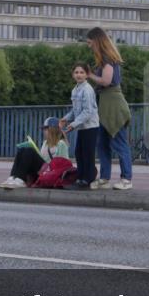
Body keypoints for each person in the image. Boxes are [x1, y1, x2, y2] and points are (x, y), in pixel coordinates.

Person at [85, 27, 133, 191]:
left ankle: (126, 179)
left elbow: (106, 80)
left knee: (119, 144)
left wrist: (89, 75)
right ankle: (105, 178)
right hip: (106, 106)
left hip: (112, 106)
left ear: (97, 41)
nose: (89, 46)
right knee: (103, 143)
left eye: (90, 43)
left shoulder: (107, 59)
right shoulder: (105, 59)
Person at [0, 117, 70, 189]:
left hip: (51, 173)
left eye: (45, 128)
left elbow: (64, 165)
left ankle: (20, 180)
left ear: (53, 129)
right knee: (22, 150)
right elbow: (42, 158)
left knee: (29, 151)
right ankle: (13, 177)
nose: (43, 131)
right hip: (43, 171)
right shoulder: (45, 143)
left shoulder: (61, 144)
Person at [60, 62, 100, 189]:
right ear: (73, 75)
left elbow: (88, 111)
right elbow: (75, 110)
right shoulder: (75, 90)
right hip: (82, 126)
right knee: (79, 152)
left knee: (88, 153)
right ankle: (81, 177)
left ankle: (87, 179)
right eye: (76, 72)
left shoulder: (87, 90)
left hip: (90, 126)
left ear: (87, 75)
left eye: (82, 72)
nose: (79, 75)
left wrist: (73, 124)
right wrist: (65, 119)